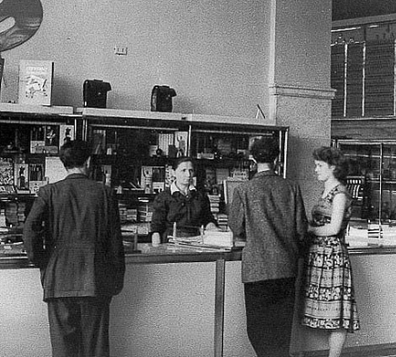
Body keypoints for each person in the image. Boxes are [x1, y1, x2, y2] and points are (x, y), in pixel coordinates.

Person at [23, 140, 125, 357]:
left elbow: (30, 229)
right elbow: (115, 242)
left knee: (63, 350)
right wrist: (116, 281)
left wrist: (42, 261)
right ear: (88, 162)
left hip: (59, 279)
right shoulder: (105, 193)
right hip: (95, 280)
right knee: (96, 350)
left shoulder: (48, 192)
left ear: (64, 163)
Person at [228, 137, 308, 357]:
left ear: (253, 159)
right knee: (281, 331)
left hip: (257, 270)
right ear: (277, 159)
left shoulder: (243, 190)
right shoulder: (291, 187)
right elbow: (301, 229)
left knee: (258, 330)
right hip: (286, 268)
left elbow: (236, 226)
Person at [301, 146, 360, 357]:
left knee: (337, 313)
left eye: (319, 165)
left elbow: (334, 228)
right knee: (327, 311)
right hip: (319, 256)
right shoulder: (326, 191)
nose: (315, 169)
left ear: (333, 167)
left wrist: (307, 230)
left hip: (332, 257)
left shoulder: (340, 194)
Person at [150, 156, 218, 245]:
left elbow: (207, 219)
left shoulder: (201, 196)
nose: (188, 175)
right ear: (173, 173)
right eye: (183, 170)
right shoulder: (164, 197)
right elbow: (156, 227)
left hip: (197, 243)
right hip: (171, 244)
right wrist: (157, 247)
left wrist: (214, 229)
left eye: (191, 170)